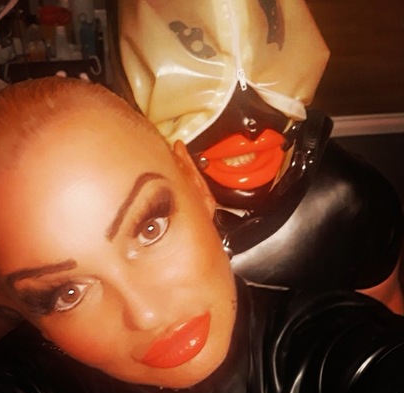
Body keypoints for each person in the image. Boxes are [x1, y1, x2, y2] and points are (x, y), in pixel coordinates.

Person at [0, 77, 404, 393]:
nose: (145, 314)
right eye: (67, 293)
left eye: (149, 228)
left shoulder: (345, 349)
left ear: (195, 183)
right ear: (20, 310)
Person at [108, 0, 404, 312]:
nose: (248, 122)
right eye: (186, 86)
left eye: (268, 65)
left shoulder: (353, 203)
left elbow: (385, 315)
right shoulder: (110, 211)